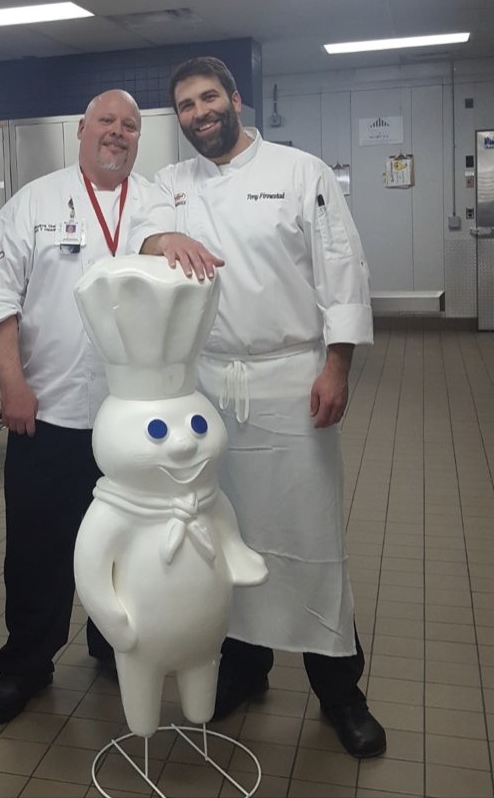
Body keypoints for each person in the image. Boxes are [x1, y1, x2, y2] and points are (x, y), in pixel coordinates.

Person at [129, 56, 386, 759]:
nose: (199, 112)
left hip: (288, 378)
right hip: (207, 385)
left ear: (235, 100)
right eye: (184, 105)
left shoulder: (299, 173)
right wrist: (161, 239)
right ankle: (245, 665)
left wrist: (337, 364)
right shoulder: (170, 185)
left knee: (308, 535)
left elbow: (344, 271)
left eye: (209, 97)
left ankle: (340, 690)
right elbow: (135, 235)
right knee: (221, 533)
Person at [0, 89, 155, 725]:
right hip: (45, 414)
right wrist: (12, 385)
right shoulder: (33, 204)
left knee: (130, 548)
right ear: (82, 129)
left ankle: (114, 643)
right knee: (36, 548)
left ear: (140, 138)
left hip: (133, 423)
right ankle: (26, 664)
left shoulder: (159, 203)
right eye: (106, 121)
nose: (117, 133)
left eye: (130, 126)